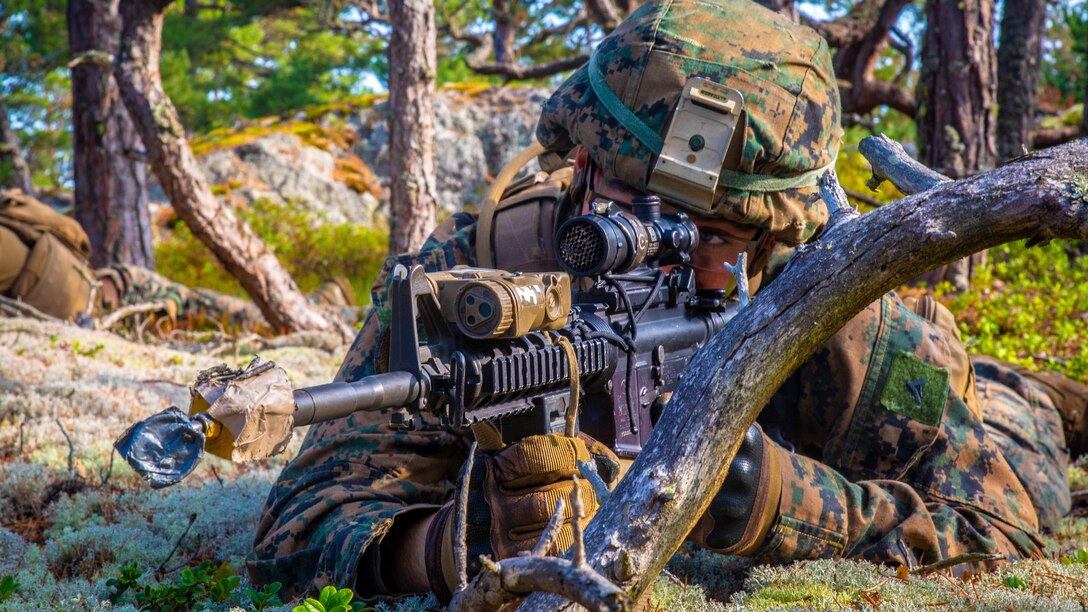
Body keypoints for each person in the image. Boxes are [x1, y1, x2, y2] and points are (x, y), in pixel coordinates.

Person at [247, 0, 1085, 602]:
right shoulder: (479, 283)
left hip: (996, 412)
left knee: (1035, 411)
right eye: (628, 214)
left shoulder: (836, 316)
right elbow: (299, 529)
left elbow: (998, 525)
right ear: (578, 166)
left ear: (773, 239)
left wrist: (770, 498)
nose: (662, 250)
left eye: (710, 233)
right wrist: (460, 543)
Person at [0, 188, 357, 333]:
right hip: (112, 301)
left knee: (247, 319)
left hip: (128, 294)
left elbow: (73, 238)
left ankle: (329, 311)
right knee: (235, 316)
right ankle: (321, 306)